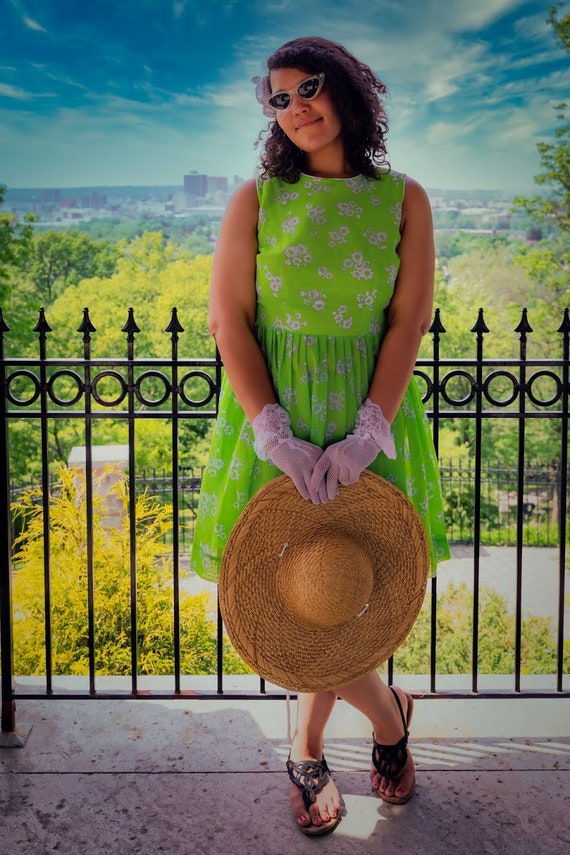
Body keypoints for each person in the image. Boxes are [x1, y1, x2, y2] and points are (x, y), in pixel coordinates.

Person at [191, 36, 450, 835]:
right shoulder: (257, 200)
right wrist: (273, 431)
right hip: (278, 418)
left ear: (343, 90)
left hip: (371, 412)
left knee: (347, 584)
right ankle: (386, 721)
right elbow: (228, 320)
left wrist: (372, 428)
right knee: (295, 587)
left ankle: (306, 748)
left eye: (308, 88)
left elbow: (408, 320)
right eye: (278, 98)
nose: (295, 106)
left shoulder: (403, 197)